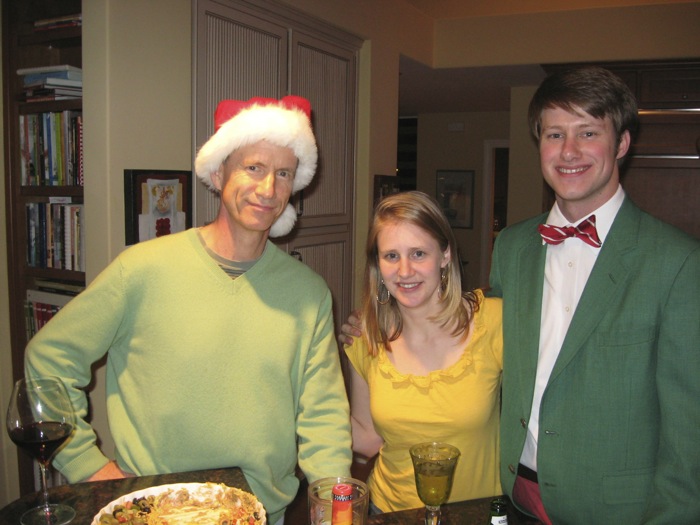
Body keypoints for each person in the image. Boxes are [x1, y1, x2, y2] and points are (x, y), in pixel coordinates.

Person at [25, 96, 352, 525]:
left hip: (260, 515)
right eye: (253, 167)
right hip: (153, 512)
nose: (268, 188)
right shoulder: (141, 270)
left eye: (283, 173)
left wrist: (336, 511)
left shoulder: (309, 294)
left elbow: (324, 418)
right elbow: (48, 360)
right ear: (219, 173)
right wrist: (91, 468)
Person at [489, 66, 700, 524]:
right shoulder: (512, 246)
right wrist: (392, 320)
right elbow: (483, 346)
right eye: (554, 135)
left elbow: (690, 435)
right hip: (516, 494)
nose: (568, 152)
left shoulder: (678, 263)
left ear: (621, 143)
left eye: (588, 132)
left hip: (618, 509)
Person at [343, 191, 503, 513]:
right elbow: (367, 437)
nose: (404, 272)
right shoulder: (366, 337)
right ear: (377, 264)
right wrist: (298, 402)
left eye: (418, 253)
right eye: (390, 256)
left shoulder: (494, 322)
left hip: (477, 514)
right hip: (389, 512)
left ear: (445, 255)